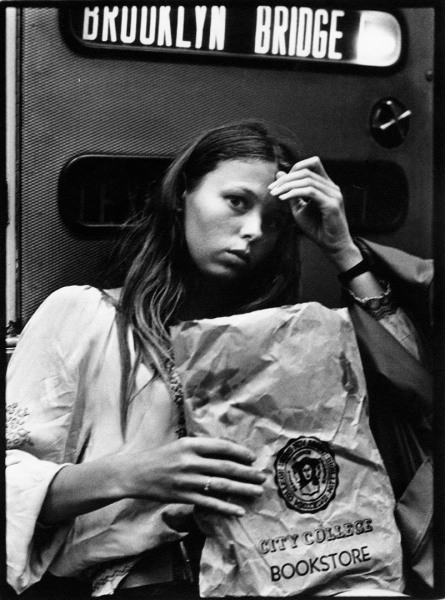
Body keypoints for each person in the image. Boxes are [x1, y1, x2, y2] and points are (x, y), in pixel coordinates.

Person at [6, 120, 427, 599]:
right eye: (237, 202)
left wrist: (341, 247)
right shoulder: (85, 316)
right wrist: (133, 473)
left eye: (275, 221)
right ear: (184, 194)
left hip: (287, 573)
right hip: (144, 582)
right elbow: (9, 481)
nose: (253, 232)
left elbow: (415, 395)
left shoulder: (285, 341)